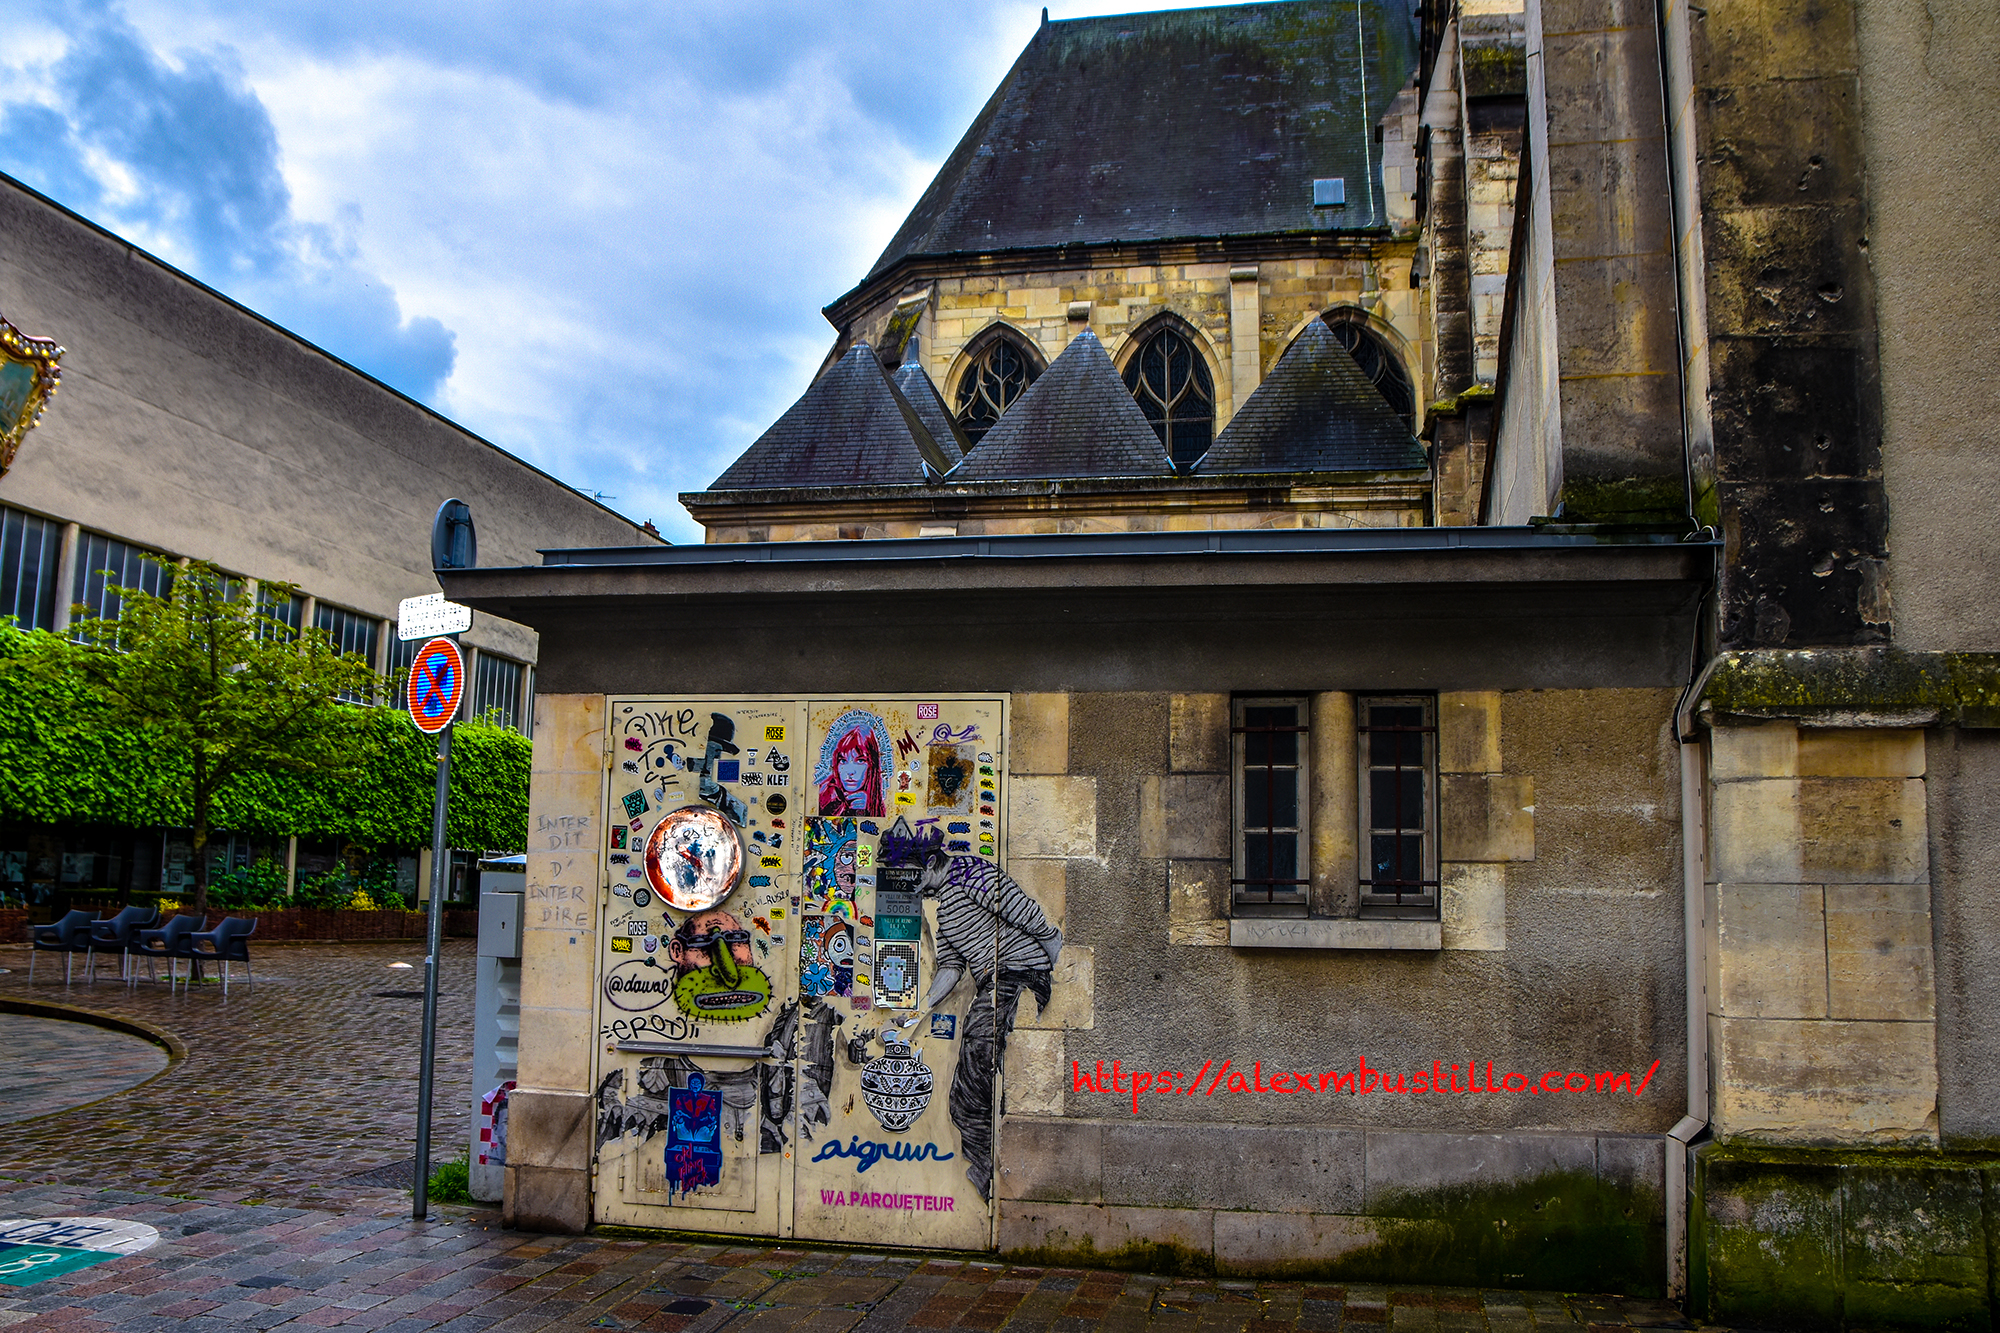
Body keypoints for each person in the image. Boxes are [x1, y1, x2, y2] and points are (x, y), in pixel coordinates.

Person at [916, 845, 1061, 1200]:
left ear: (932, 863)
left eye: (915, 876)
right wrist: (920, 1009)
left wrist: (1057, 974)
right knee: (966, 1093)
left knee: (976, 1073)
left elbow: (1029, 916)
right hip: (996, 982)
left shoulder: (970, 874)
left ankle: (987, 1172)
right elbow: (951, 967)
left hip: (1018, 974)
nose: (913, 887)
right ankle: (983, 1169)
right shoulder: (946, 909)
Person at [817, 725, 885, 816]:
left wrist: (869, 809)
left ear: (871, 765)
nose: (850, 771)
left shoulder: (875, 799)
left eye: (860, 761)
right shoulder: (825, 797)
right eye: (843, 761)